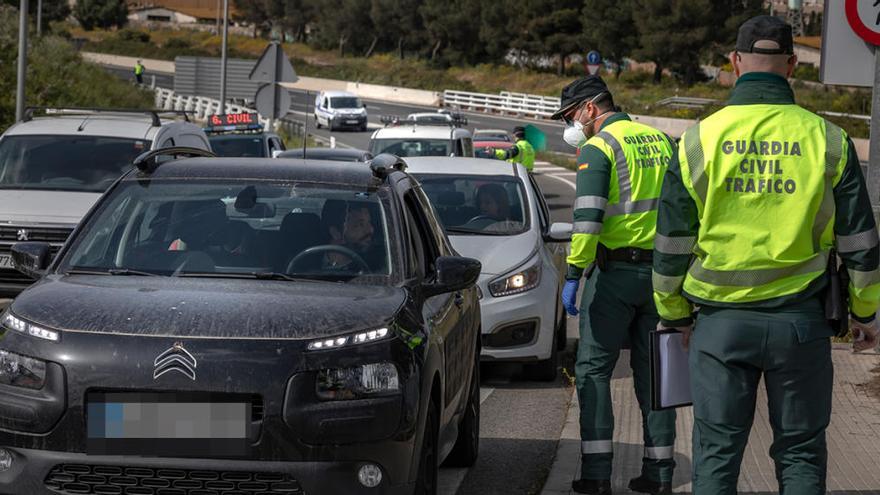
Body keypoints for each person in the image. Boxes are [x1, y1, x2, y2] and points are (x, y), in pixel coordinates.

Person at [652, 16, 880, 495]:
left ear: (734, 63)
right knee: (800, 451)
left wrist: (673, 314)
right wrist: (867, 313)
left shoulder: (698, 139)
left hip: (719, 327)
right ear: (793, 65)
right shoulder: (829, 140)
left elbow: (672, 242)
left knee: (716, 454)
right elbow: (859, 242)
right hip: (801, 324)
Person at [554, 75, 676, 495]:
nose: (572, 125)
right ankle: (659, 475)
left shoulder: (599, 147)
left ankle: (596, 475)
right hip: (662, 278)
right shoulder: (661, 141)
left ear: (590, 108)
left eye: (571, 115)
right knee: (657, 375)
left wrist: (573, 274)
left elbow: (587, 221)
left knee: (592, 371)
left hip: (614, 276)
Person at [320, 199, 382, 271]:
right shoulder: (308, 263)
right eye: (360, 224)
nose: (371, 229)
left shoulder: (377, 269)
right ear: (335, 232)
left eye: (369, 222)